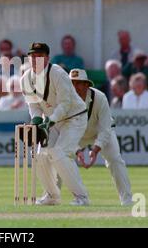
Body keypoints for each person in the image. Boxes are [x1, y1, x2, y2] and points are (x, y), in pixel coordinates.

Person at [21, 43, 90, 206]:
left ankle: (81, 197)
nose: (35, 59)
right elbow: (33, 105)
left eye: (40, 56)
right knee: (39, 156)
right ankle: (52, 195)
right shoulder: (25, 79)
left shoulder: (58, 73)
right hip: (51, 122)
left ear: (47, 58)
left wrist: (49, 120)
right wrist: (36, 121)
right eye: (32, 56)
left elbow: (65, 104)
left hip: (74, 118)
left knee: (60, 153)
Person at [69, 69, 133, 206]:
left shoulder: (100, 97)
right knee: (61, 158)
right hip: (77, 135)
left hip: (99, 131)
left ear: (86, 85)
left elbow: (105, 128)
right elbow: (65, 131)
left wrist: (95, 149)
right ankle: (66, 198)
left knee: (115, 159)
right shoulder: (65, 99)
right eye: (71, 83)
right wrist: (77, 150)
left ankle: (127, 200)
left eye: (78, 83)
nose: (75, 87)